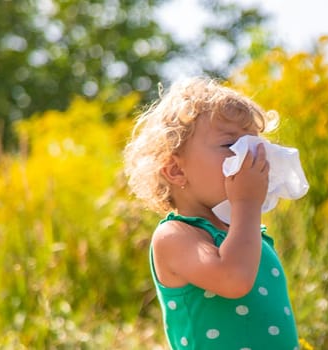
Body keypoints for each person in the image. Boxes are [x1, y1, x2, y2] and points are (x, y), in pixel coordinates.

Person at [123, 78, 300, 349]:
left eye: (253, 144)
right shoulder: (175, 235)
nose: (248, 156)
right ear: (176, 171)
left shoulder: (244, 234)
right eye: (230, 144)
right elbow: (234, 280)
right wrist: (247, 204)